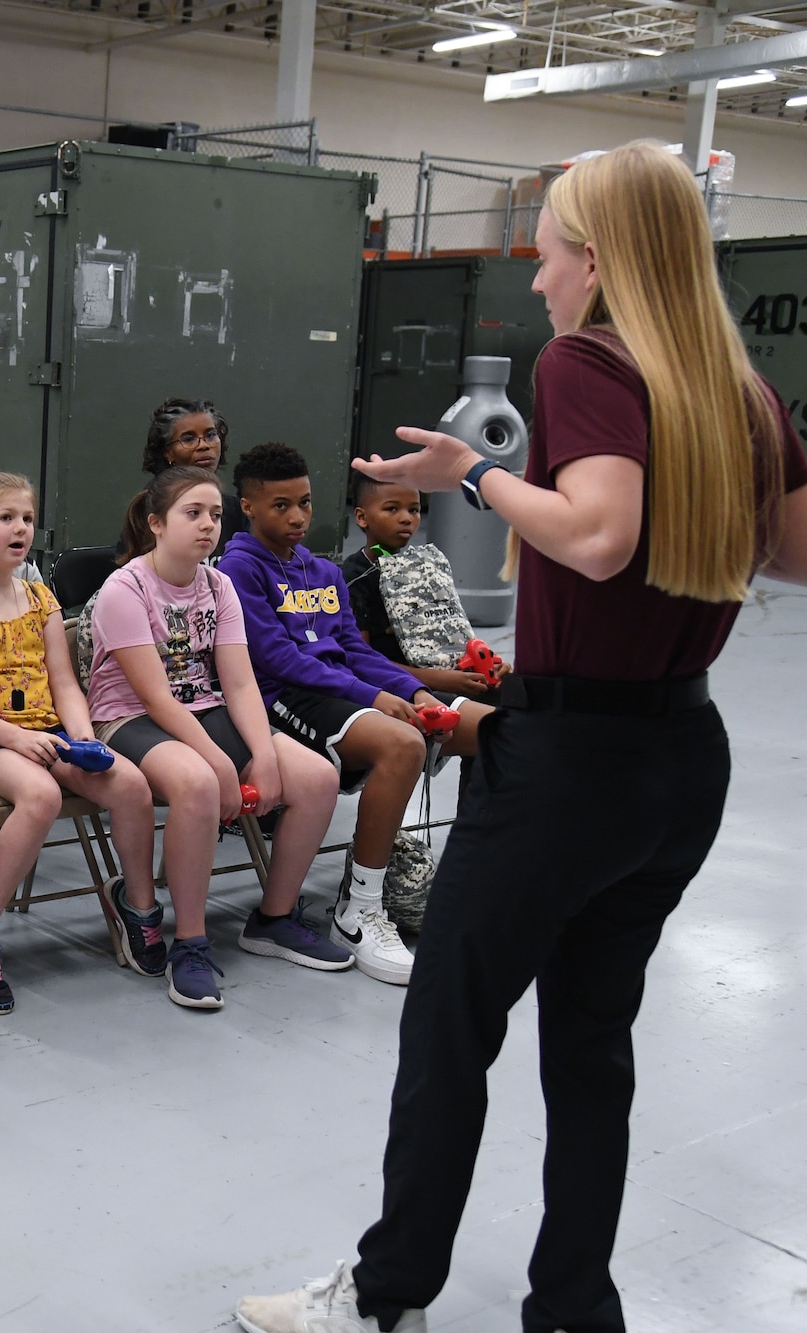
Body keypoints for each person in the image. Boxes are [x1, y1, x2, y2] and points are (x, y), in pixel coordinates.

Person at [236, 143, 807, 1333]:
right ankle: (570, 1306)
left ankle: (385, 1292)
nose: (537, 277)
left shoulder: (590, 361)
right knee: (590, 1041)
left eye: (545, 249)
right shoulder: (735, 390)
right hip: (671, 759)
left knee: (448, 1024)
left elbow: (594, 539)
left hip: (565, 776)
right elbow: (791, 552)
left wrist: (474, 473)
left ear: (592, 258)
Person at [218, 442, 488, 987]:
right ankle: (359, 908)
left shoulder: (321, 571)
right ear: (247, 506)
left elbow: (355, 650)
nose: (297, 517)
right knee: (403, 745)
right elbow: (278, 659)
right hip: (287, 698)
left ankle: (468, 882)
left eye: (306, 503)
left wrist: (414, 691)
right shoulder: (237, 570)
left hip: (344, 687)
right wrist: (373, 698)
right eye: (280, 506)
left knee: (494, 730)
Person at [87, 469, 349, 1010]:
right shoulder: (124, 588)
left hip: (205, 708)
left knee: (319, 776)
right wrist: (222, 763)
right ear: (156, 524)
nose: (208, 525)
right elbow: (156, 699)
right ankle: (190, 943)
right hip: (130, 717)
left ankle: (272, 919)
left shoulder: (217, 583)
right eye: (193, 513)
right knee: (200, 784)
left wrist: (262, 754)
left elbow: (238, 681)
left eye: (215, 515)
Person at [0, 473, 156, 1016]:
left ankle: (137, 908)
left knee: (130, 784)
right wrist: (15, 738)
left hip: (48, 732)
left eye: (26, 519)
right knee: (41, 797)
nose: (20, 529)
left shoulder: (40, 598)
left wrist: (79, 735)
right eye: (6, 518)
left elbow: (64, 683)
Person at [342, 476, 509, 702]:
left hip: (448, 676)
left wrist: (489, 664)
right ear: (362, 517)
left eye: (414, 510)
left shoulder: (426, 563)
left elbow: (453, 632)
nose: (406, 519)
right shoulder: (355, 576)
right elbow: (362, 660)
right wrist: (437, 679)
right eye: (392, 509)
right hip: (400, 688)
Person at [139, 397, 247, 545]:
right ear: (167, 452)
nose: (204, 445)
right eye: (189, 439)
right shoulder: (150, 504)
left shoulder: (233, 508)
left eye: (211, 435)